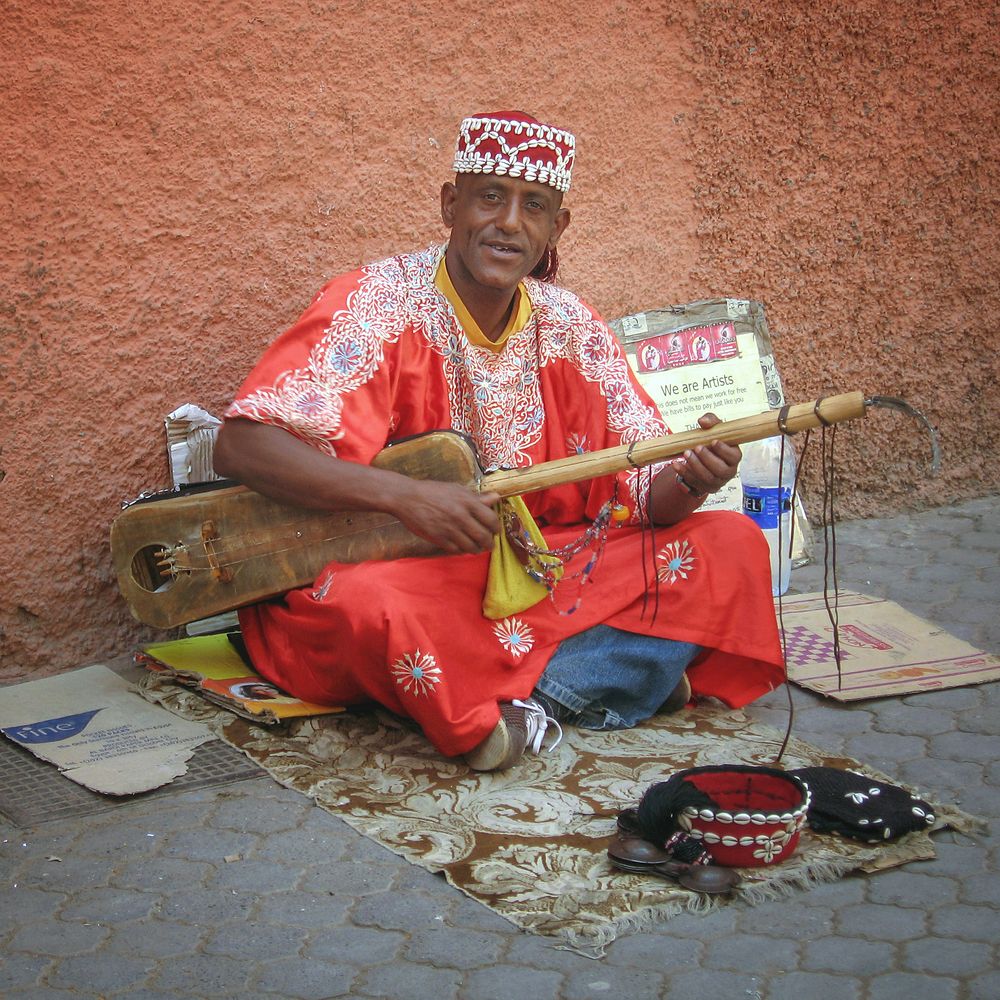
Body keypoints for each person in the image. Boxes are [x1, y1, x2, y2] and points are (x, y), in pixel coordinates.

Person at [213, 111, 784, 771]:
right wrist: (405, 498)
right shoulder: (376, 304)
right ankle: (615, 679)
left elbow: (647, 503)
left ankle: (531, 695)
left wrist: (692, 477)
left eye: (533, 206)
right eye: (490, 197)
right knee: (369, 608)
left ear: (555, 229)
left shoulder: (570, 324)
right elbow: (243, 447)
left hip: (548, 569)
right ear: (451, 205)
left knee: (729, 542)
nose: (509, 222)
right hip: (416, 575)